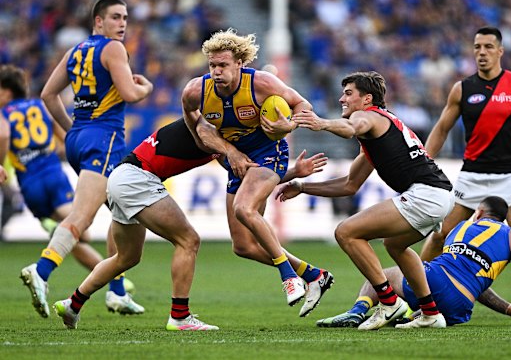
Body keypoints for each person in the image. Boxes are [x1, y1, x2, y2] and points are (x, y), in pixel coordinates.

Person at [53, 116, 328, 330]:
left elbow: (243, 172)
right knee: (189, 240)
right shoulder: (208, 126)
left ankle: (73, 304)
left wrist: (291, 173)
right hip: (138, 180)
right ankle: (180, 317)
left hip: (121, 178)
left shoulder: (216, 134)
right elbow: (236, 161)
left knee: (125, 258)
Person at [277, 71, 455, 330]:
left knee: (346, 232)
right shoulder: (379, 130)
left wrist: (321, 123)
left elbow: (350, 127)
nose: (342, 99)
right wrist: (303, 186)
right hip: (439, 194)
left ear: (367, 98)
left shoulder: (366, 116)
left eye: (348, 93)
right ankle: (430, 313)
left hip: (425, 193)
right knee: (395, 246)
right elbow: (350, 185)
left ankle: (389, 302)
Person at [182, 28, 334, 317]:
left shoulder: (262, 84)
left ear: (239, 63)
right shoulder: (195, 91)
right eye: (212, 66)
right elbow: (192, 117)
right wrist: (215, 147)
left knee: (244, 208)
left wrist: (287, 127)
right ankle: (314, 275)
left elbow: (302, 105)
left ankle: (288, 276)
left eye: (223, 65)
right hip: (237, 160)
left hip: (269, 153)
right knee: (242, 246)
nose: (216, 72)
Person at [20, 0, 153, 318]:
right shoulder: (113, 49)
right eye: (115, 17)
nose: (122, 23)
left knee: (125, 215)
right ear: (98, 21)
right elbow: (131, 94)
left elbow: (47, 95)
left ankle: (117, 292)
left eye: (124, 17)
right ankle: (41, 270)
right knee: (82, 217)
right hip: (103, 139)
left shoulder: (74, 51)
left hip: (82, 138)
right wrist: (146, 87)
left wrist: (71, 131)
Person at [418, 26, 511, 320]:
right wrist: (424, 159)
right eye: (476, 47)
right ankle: (417, 289)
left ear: (500, 51)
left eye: (487, 47)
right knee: (440, 233)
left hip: (510, 174)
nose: (481, 53)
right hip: (472, 175)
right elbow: (442, 128)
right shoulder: (462, 88)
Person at [1, 65, 136, 316]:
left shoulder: (4, 112)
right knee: (80, 229)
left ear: (7, 92)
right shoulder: (39, 108)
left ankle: (115, 285)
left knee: (77, 235)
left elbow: (3, 134)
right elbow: (64, 136)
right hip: (53, 175)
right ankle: (115, 284)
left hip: (29, 184)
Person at [316, 196, 511, 328]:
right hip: (461, 305)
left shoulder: (460, 227)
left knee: (383, 273)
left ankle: (358, 310)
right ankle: (411, 316)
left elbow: (450, 272)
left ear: (480, 212)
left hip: (436, 280)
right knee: (458, 284)